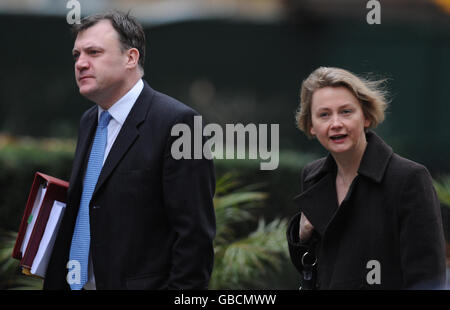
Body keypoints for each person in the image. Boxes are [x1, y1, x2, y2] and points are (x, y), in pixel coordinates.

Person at [44, 11, 216, 290]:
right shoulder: (89, 121)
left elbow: (194, 239)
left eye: (94, 52)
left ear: (131, 58)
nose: (81, 64)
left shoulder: (181, 124)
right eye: (77, 55)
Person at [286, 66, 446, 290]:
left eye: (346, 112)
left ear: (367, 117)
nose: (336, 123)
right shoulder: (313, 176)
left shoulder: (408, 178)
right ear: (311, 126)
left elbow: (427, 277)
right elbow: (312, 270)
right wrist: (302, 236)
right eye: (324, 114)